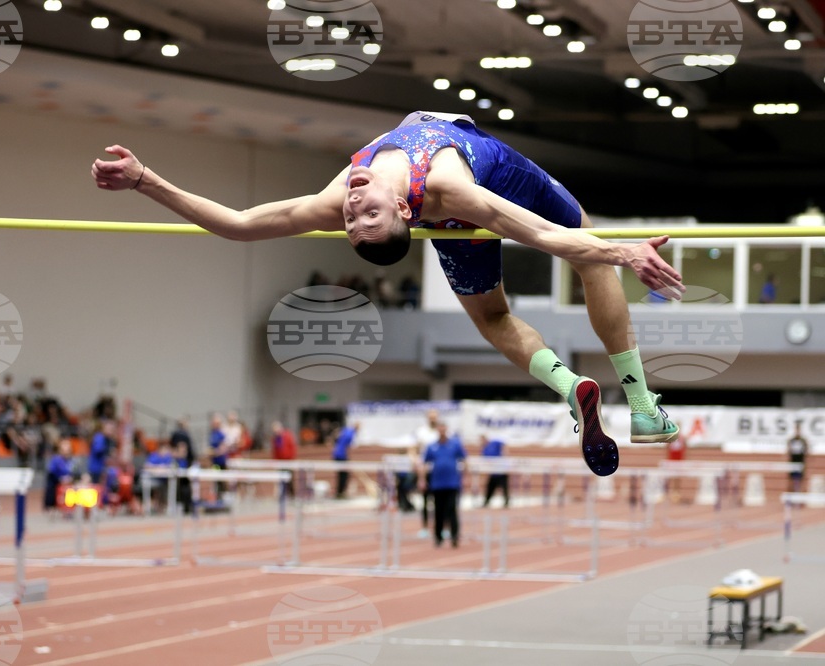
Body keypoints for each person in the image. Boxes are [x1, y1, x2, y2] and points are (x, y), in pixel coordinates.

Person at [92, 111, 684, 477]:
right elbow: (546, 235)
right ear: (404, 211)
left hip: (469, 202)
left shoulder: (349, 192)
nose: (350, 207)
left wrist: (147, 180)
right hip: (491, 183)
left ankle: (580, 391)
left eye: (354, 218)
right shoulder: (450, 190)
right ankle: (638, 404)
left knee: (502, 311)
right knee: (582, 239)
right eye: (361, 213)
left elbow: (240, 223)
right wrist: (619, 251)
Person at [422, 422, 467, 548]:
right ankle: (438, 537)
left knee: (452, 510)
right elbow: (425, 463)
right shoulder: (432, 446)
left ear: (446, 429)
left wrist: (464, 477)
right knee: (438, 511)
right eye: (439, 428)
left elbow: (464, 460)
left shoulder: (455, 444)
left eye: (443, 427)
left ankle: (454, 536)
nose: (441, 430)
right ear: (437, 430)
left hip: (452, 483)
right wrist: (422, 479)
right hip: (437, 484)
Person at [414, 409, 440, 533]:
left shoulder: (443, 432)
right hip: (425, 471)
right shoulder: (421, 432)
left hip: (439, 472)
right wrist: (417, 464)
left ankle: (441, 527)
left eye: (435, 417)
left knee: (440, 501)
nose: (433, 419)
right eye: (431, 417)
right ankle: (425, 527)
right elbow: (415, 449)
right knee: (425, 500)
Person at [481, 436, 509, 509]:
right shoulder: (484, 449)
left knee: (504, 487)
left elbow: (504, 445)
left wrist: (505, 455)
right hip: (494, 472)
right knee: (490, 487)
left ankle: (506, 502)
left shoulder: (494, 443)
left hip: (501, 470)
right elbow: (485, 461)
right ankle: (486, 502)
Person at [332, 421, 358, 499]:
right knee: (344, 475)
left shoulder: (345, 430)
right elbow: (348, 447)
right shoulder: (351, 434)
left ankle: (339, 492)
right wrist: (348, 457)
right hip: (341, 456)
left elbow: (336, 435)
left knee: (341, 474)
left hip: (336, 454)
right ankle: (340, 493)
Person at [666, 431, 688, 503]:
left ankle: (677, 491)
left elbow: (685, 448)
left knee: (678, 477)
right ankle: (672, 491)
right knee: (671, 476)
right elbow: (667, 448)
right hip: (672, 459)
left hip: (679, 459)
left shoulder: (682, 438)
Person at [787, 423, 809, 493]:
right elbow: (789, 450)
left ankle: (799, 492)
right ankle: (793, 492)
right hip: (793, 460)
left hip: (800, 460)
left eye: (798, 430)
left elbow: (806, 449)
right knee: (792, 478)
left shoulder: (803, 440)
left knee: (800, 478)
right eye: (796, 430)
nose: (797, 431)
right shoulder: (792, 440)